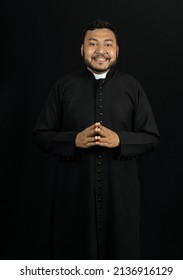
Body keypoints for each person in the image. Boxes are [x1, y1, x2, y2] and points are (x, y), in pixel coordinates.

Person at [33, 19, 160, 260]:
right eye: (93, 44)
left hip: (121, 198)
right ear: (82, 49)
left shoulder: (131, 86)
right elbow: (40, 135)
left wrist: (120, 140)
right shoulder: (64, 86)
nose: (100, 50)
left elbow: (152, 137)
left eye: (107, 44)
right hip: (73, 195)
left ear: (117, 50)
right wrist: (73, 140)